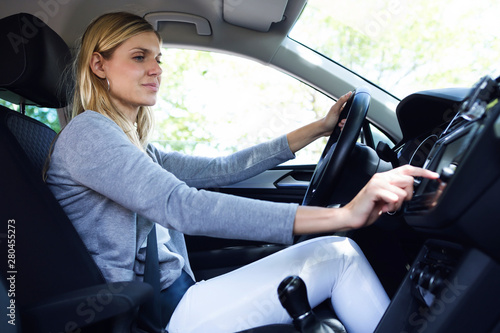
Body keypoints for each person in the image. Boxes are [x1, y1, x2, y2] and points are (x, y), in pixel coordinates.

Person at [45, 12, 438, 333]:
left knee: (337, 254)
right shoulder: (89, 134)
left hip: (176, 298)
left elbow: (222, 169)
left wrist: (319, 128)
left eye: (158, 58)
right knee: (338, 254)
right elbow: (183, 207)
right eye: (139, 57)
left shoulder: (133, 145)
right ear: (99, 65)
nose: (156, 69)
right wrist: (343, 215)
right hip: (154, 315)